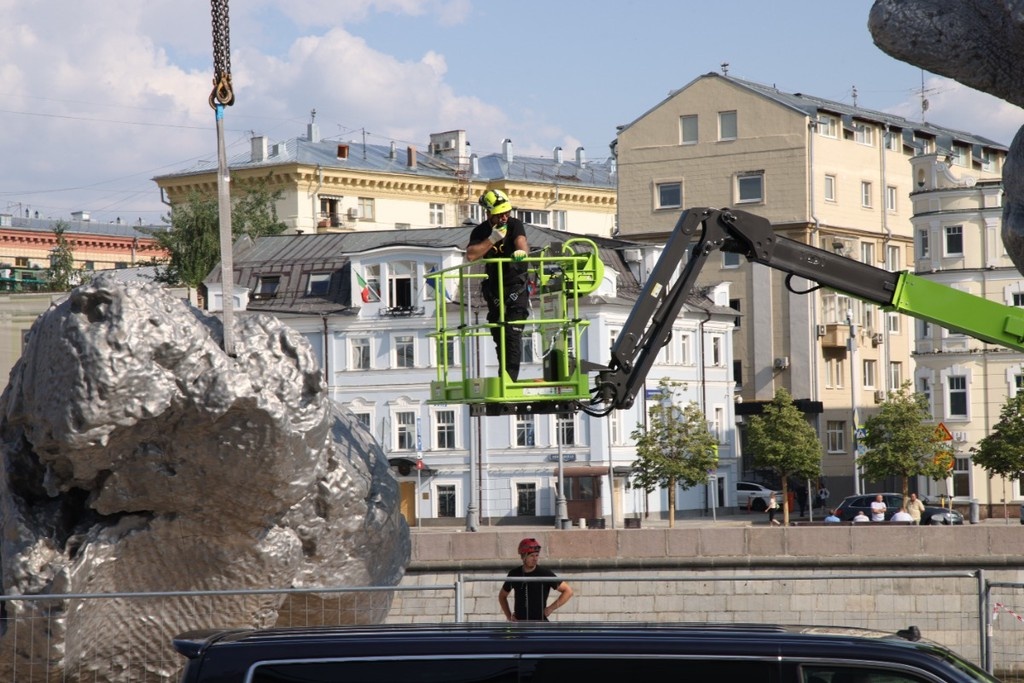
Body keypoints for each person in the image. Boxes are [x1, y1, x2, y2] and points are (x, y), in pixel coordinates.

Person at [466, 189, 531, 381]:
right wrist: (493, 239)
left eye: (507, 212)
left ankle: (509, 380)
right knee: (498, 332)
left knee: (512, 333)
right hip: (494, 288)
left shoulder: (514, 224)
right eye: (500, 214)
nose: (504, 217)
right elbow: (471, 255)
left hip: (515, 286)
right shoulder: (480, 231)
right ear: (488, 213)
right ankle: (504, 376)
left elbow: (522, 242)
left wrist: (521, 253)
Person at [498, 538, 572, 621]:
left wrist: (550, 608)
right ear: (523, 557)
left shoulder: (544, 573)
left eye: (537, 555)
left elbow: (568, 591)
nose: (535, 559)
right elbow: (502, 596)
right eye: (532, 556)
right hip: (520, 623)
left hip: (539, 623)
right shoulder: (514, 574)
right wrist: (509, 616)